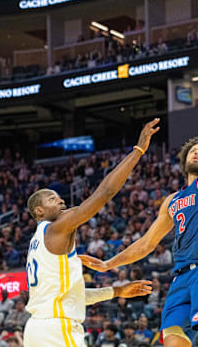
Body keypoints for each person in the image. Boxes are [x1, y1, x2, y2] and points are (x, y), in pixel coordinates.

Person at [80, 39, 198, 347]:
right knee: (173, 340)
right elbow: (147, 243)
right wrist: (108, 264)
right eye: (194, 149)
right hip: (180, 277)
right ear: (184, 160)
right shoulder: (174, 200)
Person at [23, 120, 159, 346]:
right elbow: (104, 193)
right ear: (39, 210)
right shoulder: (57, 227)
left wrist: (115, 291)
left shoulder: (36, 242)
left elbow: (73, 298)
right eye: (53, 199)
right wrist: (138, 151)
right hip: (58, 328)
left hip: (37, 329)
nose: (62, 201)